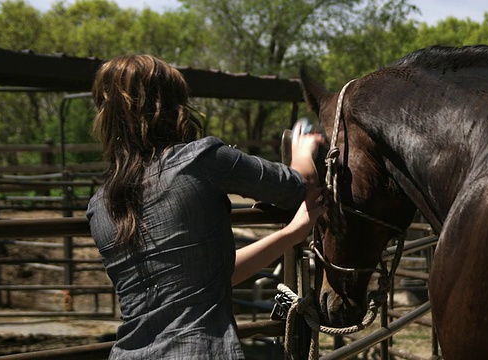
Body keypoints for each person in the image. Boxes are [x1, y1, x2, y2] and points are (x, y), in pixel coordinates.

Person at [87, 54, 326, 359]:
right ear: (175, 105)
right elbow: (297, 186)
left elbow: (204, 280)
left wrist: (291, 235)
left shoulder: (101, 204)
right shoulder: (200, 159)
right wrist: (302, 150)